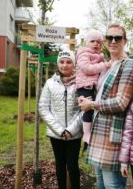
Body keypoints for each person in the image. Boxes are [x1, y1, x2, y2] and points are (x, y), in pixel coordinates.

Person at [79, 24, 133, 189]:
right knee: (100, 183)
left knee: (112, 185)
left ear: (125, 41)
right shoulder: (105, 65)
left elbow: (121, 102)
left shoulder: (128, 64)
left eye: (117, 38)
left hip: (113, 134)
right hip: (98, 132)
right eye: (109, 37)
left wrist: (92, 105)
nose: (113, 41)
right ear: (105, 41)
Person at [39, 50, 83, 189]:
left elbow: (84, 109)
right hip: (56, 133)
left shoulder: (81, 82)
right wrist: (59, 130)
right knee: (59, 163)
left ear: (74, 64)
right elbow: (43, 108)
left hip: (74, 133)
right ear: (57, 64)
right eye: (62, 62)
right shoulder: (50, 83)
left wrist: (71, 129)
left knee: (72, 164)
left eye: (69, 62)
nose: (65, 65)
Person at [75, 29, 111, 149]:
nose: (96, 44)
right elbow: (86, 68)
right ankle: (86, 134)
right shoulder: (83, 54)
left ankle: (91, 135)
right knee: (88, 109)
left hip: (93, 87)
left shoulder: (100, 56)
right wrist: (104, 65)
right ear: (87, 43)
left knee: (95, 108)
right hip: (84, 86)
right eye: (92, 41)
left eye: (99, 42)